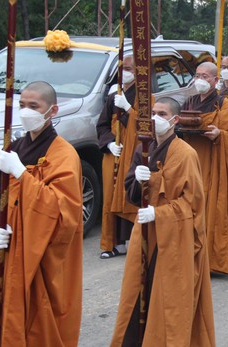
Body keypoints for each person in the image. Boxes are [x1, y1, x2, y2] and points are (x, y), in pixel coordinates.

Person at [0, 81, 83, 346]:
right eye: (22, 105)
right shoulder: (12, 150)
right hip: (10, 253)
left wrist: (22, 174)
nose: (26, 112)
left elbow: (62, 215)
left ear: (52, 110)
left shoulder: (64, 155)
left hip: (44, 260)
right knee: (2, 323)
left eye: (34, 106)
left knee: (40, 329)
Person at [111, 97, 215, 346]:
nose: (155, 118)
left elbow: (193, 204)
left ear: (175, 120)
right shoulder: (141, 148)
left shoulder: (186, 154)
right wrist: (136, 180)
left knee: (168, 297)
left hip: (174, 236)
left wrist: (161, 214)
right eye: (153, 113)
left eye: (162, 113)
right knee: (137, 290)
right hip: (145, 230)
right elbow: (132, 194)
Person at [182, 62, 228, 275]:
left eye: (205, 76)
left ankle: (210, 261)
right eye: (198, 75)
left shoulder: (223, 105)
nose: (200, 80)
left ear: (214, 80)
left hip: (213, 165)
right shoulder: (190, 101)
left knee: (210, 211)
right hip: (191, 163)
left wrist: (221, 135)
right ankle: (187, 256)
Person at [96, 55, 139, 259]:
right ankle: (112, 243)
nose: (124, 73)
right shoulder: (114, 97)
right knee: (110, 196)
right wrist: (109, 143)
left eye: (129, 68)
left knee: (128, 195)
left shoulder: (145, 97)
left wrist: (130, 110)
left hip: (133, 154)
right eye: (121, 69)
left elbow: (146, 126)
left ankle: (131, 241)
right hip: (113, 154)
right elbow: (102, 125)